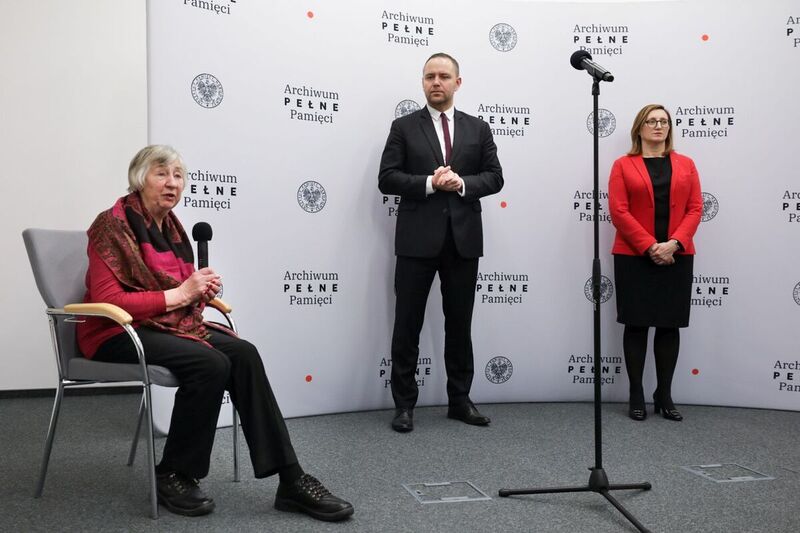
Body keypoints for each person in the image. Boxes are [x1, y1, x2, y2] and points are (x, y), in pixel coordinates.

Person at [76, 145, 354, 521]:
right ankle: (174, 472)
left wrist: (196, 291)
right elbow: (112, 301)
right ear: (139, 180)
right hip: (113, 332)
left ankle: (291, 479)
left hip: (164, 325)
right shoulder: (111, 227)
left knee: (243, 353)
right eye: (161, 174)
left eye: (177, 176)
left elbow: (177, 293)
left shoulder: (170, 228)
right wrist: (179, 294)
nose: (172, 183)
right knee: (208, 363)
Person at [378, 53, 504, 432]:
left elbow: (495, 178)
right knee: (407, 325)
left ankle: (460, 401)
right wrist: (431, 183)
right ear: (423, 83)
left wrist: (461, 183)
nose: (437, 82)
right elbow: (387, 179)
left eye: (444, 76)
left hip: (463, 242)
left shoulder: (478, 128)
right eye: (430, 76)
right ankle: (404, 406)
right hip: (417, 241)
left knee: (459, 325)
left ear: (457, 83)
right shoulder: (403, 127)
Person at [608, 104, 702, 422]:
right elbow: (619, 211)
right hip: (634, 256)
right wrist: (650, 246)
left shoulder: (686, 164)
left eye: (664, 121)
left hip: (677, 255)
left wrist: (674, 244)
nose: (658, 126)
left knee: (669, 325)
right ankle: (636, 393)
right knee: (636, 324)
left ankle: (664, 393)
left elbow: (695, 208)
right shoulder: (623, 165)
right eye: (652, 121)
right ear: (640, 128)